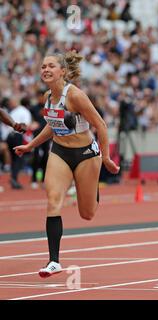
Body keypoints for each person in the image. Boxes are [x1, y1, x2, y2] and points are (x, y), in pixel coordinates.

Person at [14, 51, 120, 278]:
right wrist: (30, 146)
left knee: (87, 213)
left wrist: (107, 157)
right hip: (60, 152)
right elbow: (51, 126)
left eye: (51, 65)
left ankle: (92, 191)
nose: (45, 70)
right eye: (43, 66)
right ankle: (54, 261)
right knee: (52, 200)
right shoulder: (47, 97)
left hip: (86, 154)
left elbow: (100, 125)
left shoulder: (76, 96)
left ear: (62, 71)